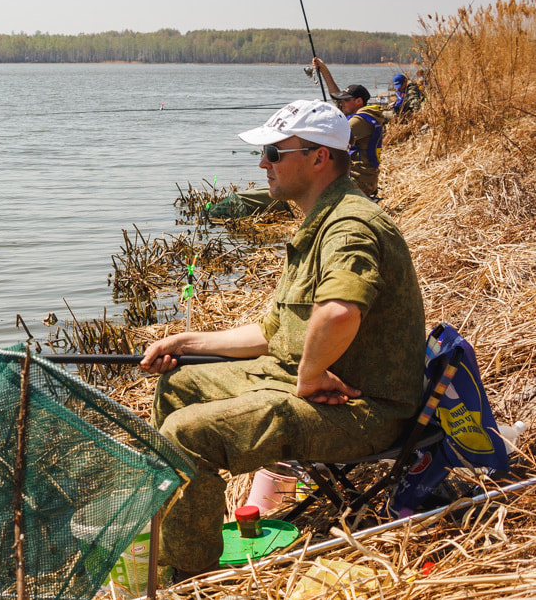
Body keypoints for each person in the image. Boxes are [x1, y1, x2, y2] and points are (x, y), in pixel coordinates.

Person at [139, 99, 426, 578]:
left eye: (275, 153)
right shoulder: (317, 223)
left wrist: (311, 374)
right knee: (176, 388)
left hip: (364, 411)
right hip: (301, 381)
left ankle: (187, 575)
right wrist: (186, 343)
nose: (263, 163)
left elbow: (338, 311)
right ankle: (180, 530)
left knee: (190, 434)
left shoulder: (352, 224)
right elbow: (274, 333)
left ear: (319, 158)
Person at [311, 57, 387, 198]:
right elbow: (336, 98)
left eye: (346, 100)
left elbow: (333, 136)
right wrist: (324, 71)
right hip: (364, 180)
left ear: (358, 101)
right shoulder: (362, 115)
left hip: (359, 183)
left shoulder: (360, 121)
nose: (342, 103)